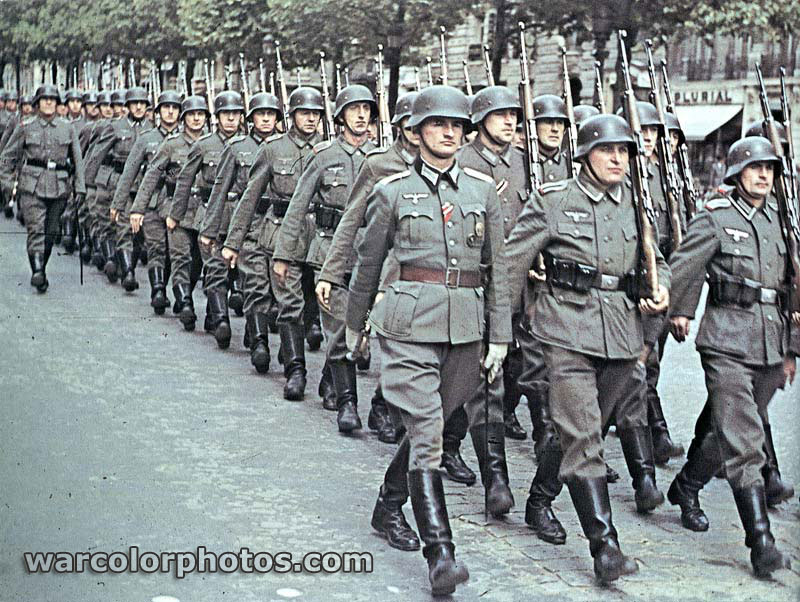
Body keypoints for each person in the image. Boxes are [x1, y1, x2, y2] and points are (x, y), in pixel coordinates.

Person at [346, 85, 511, 596]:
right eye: (438, 125)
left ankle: (388, 502)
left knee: (431, 427)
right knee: (426, 428)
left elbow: (498, 269)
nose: (449, 133)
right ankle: (441, 554)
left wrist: (499, 336)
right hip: (409, 324)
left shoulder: (483, 192)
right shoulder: (391, 191)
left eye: (457, 126)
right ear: (415, 133)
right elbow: (368, 264)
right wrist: (354, 326)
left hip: (466, 326)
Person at [503, 114, 671, 583]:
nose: (618, 159)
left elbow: (658, 260)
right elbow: (512, 264)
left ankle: (539, 499)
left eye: (625, 152)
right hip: (565, 331)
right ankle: (605, 548)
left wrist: (663, 290)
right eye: (608, 151)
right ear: (585, 156)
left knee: (579, 429)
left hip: (620, 334)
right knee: (584, 436)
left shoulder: (638, 204)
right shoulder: (554, 200)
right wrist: (501, 331)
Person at [667, 135, 797, 578]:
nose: (763, 176)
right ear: (736, 173)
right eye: (755, 168)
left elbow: (794, 289)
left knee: (732, 432)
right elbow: (685, 265)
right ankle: (760, 542)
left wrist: (792, 349)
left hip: (769, 344)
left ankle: (686, 485)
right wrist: (680, 311)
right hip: (725, 340)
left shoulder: (784, 221)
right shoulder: (717, 217)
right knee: (744, 439)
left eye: (770, 169)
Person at [316, 91, 419, 443]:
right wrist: (330, 271)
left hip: (405, 271)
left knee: (397, 345)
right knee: (349, 333)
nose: (418, 130)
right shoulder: (378, 163)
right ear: (400, 125)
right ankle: (347, 402)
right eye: (411, 123)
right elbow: (351, 218)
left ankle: (381, 406)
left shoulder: (440, 166)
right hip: (365, 261)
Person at [272, 84, 377, 428]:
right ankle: (349, 404)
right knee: (337, 327)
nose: (362, 115)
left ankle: (333, 379)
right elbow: (298, 207)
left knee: (359, 331)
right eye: (354, 109)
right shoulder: (324, 156)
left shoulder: (380, 160)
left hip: (369, 256)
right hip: (329, 252)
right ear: (341, 117)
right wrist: (284, 255)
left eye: (367, 109)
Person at [223, 87, 324, 399]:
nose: (311, 119)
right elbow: (250, 198)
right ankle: (296, 370)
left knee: (311, 302)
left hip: (319, 237)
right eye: (305, 113)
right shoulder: (272, 150)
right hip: (281, 234)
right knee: (289, 302)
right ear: (291, 116)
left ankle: (293, 349)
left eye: (316, 113)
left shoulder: (327, 151)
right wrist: (233, 242)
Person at [202, 92, 280, 368]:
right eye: (261, 114)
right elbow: (219, 191)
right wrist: (211, 231)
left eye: (272, 114)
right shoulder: (237, 148)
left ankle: (255, 329)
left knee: (277, 289)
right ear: (252, 119)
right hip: (248, 223)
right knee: (256, 284)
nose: (267, 119)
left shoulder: (286, 147)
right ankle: (259, 341)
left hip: (280, 226)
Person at [171, 90, 244, 348]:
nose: (231, 120)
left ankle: (216, 314)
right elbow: (185, 180)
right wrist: (176, 214)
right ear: (218, 117)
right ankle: (221, 320)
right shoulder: (204, 145)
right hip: (210, 215)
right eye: (226, 115)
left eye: (236, 115)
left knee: (238, 271)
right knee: (214, 268)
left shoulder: (249, 146)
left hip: (240, 217)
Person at [134, 95, 210, 329]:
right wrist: (138, 208)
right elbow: (151, 176)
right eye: (191, 114)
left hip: (205, 211)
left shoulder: (214, 143)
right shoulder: (171, 144)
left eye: (201, 114)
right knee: (179, 257)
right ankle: (185, 302)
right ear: (184, 118)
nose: (196, 119)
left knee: (198, 261)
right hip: (176, 209)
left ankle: (183, 292)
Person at [0, 84, 85, 293]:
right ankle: (37, 271)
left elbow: (77, 160)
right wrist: (9, 185)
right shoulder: (25, 126)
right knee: (36, 229)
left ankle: (41, 266)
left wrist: (80, 187)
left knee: (50, 232)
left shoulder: (68, 128)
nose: (49, 103)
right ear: (37, 104)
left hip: (59, 186)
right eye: (45, 99)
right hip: (31, 185)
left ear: (58, 104)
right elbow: (7, 158)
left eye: (53, 99)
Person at [122, 90, 182, 312]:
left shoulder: (189, 139)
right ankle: (158, 289)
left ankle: (176, 293)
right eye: (166, 107)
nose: (170, 112)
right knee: (156, 247)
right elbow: (130, 172)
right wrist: (121, 205)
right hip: (153, 200)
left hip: (178, 202)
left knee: (175, 252)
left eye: (174, 108)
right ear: (158, 112)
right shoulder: (146, 139)